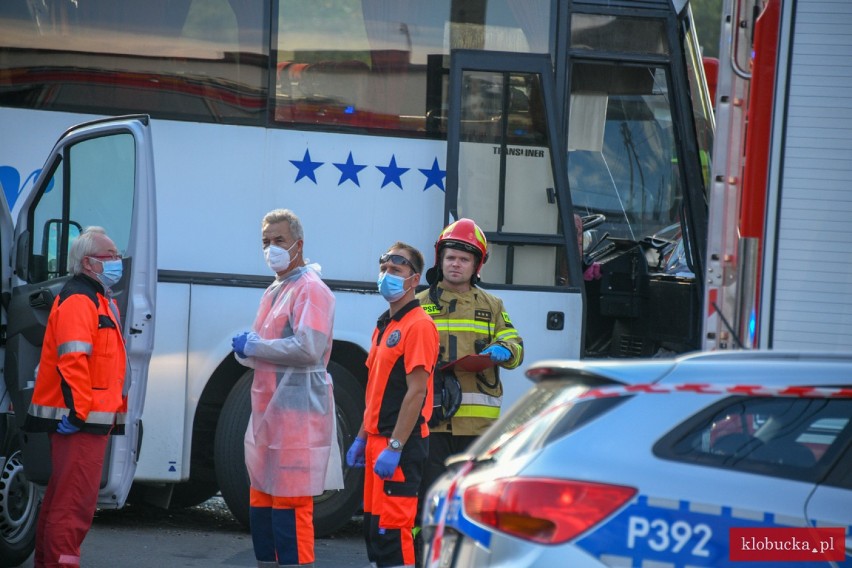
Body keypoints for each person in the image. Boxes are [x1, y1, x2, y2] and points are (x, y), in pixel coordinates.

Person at [231, 209, 343, 567]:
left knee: (291, 508)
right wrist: (246, 349)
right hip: (271, 413)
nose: (271, 249)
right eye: (266, 242)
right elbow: (269, 349)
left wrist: (254, 346)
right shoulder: (279, 288)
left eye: (279, 241)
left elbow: (308, 347)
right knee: (263, 502)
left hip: (297, 417)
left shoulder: (311, 289)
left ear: (298, 244)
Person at [24, 226, 128, 568]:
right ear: (88, 263)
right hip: (80, 422)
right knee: (73, 507)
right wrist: (80, 414)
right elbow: (73, 360)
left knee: (61, 501)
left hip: (85, 419)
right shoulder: (81, 300)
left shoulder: (95, 298)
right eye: (109, 256)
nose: (117, 261)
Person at [415, 219, 524, 528]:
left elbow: (515, 342)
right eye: (450, 257)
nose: (456, 264)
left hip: (478, 428)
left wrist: (504, 348)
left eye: (464, 259)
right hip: (432, 423)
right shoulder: (419, 304)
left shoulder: (492, 306)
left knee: (471, 506)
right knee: (430, 502)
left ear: (477, 265)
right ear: (440, 259)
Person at [346, 243, 439, 568]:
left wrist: (396, 446)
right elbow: (376, 391)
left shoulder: (419, 326)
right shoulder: (385, 324)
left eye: (396, 271)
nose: (386, 277)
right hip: (377, 441)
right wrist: (361, 437)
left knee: (393, 534)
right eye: (384, 269)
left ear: (414, 280)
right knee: (375, 534)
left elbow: (416, 392)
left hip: (399, 444)